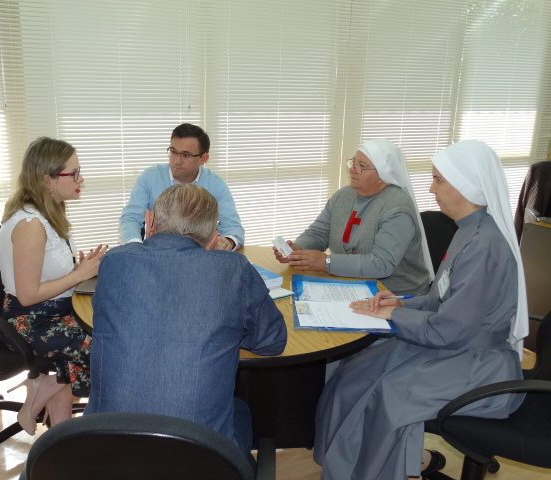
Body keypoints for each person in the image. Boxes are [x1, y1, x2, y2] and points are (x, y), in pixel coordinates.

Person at [313, 140, 528, 480]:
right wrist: (402, 302)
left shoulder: (483, 245)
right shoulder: (468, 229)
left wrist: (392, 316)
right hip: (450, 340)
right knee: (354, 374)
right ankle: (343, 466)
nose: (431, 189)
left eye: (439, 180)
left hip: (475, 359)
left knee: (388, 393)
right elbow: (444, 296)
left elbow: (449, 329)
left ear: (467, 186)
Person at [86, 183, 286, 456]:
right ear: (213, 239)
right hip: (198, 457)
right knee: (240, 409)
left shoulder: (114, 262)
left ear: (149, 221)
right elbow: (272, 342)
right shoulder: (233, 268)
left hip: (100, 449)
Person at [0, 137, 108, 435]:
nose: (80, 178)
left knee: (102, 332)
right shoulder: (31, 225)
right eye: (73, 173)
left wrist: (77, 269)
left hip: (54, 310)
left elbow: (45, 274)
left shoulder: (49, 213)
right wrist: (78, 274)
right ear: (47, 179)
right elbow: (28, 294)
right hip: (29, 319)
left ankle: (61, 437)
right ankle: (40, 390)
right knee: (104, 348)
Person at [273, 138, 432, 296]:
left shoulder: (397, 208)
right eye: (353, 162)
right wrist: (298, 250)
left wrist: (326, 262)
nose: (352, 169)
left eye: (362, 166)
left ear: (383, 175)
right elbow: (319, 233)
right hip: (352, 285)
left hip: (395, 297)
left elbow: (381, 264)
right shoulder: (344, 195)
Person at [118, 123, 245, 251]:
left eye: (186, 155)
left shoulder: (215, 184)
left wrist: (228, 241)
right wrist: (135, 246)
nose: (177, 161)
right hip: (158, 252)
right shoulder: (150, 177)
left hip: (200, 255)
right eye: (173, 152)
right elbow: (131, 218)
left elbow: (233, 226)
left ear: (203, 158)